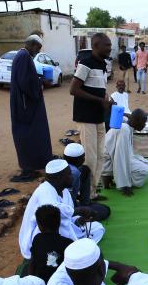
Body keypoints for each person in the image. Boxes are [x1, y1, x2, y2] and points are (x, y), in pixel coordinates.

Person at [19, 159, 105, 261]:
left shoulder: (65, 191)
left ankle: (74, 250)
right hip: (42, 235)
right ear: (59, 178)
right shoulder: (44, 190)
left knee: (98, 228)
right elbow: (52, 212)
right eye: (69, 174)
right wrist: (79, 210)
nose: (72, 177)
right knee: (64, 235)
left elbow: (67, 217)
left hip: (64, 229)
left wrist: (77, 219)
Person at [71, 33, 112, 201]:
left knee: (100, 155)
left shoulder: (102, 65)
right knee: (90, 157)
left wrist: (107, 99)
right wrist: (99, 101)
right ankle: (85, 194)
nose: (110, 48)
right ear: (96, 46)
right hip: (86, 116)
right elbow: (73, 89)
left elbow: (98, 88)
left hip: (98, 116)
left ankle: (92, 192)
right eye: (107, 45)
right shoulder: (86, 64)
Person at [9, 34, 53, 182]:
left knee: (35, 134)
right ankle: (29, 167)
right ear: (33, 44)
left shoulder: (23, 56)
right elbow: (25, 82)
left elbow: (27, 76)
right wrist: (41, 82)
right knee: (27, 135)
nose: (38, 51)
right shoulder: (23, 57)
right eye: (38, 48)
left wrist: (38, 78)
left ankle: (35, 164)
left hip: (26, 104)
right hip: (25, 106)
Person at [102, 109, 148, 196]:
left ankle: (114, 176)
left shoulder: (128, 126)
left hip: (110, 158)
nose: (144, 125)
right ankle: (115, 178)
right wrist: (125, 185)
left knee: (146, 163)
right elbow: (119, 158)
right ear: (135, 121)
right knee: (143, 170)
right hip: (107, 161)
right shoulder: (124, 130)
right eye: (143, 122)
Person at [63, 143, 111, 221]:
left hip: (70, 204)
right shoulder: (73, 173)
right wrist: (80, 210)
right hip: (68, 209)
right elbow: (67, 200)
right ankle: (83, 218)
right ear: (80, 159)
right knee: (105, 210)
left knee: (85, 169)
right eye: (83, 156)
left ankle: (85, 202)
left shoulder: (63, 166)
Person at [29, 205, 74, 284]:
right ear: (59, 222)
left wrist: (30, 281)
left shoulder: (37, 239)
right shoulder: (68, 243)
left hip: (40, 283)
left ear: (39, 225)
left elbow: (33, 262)